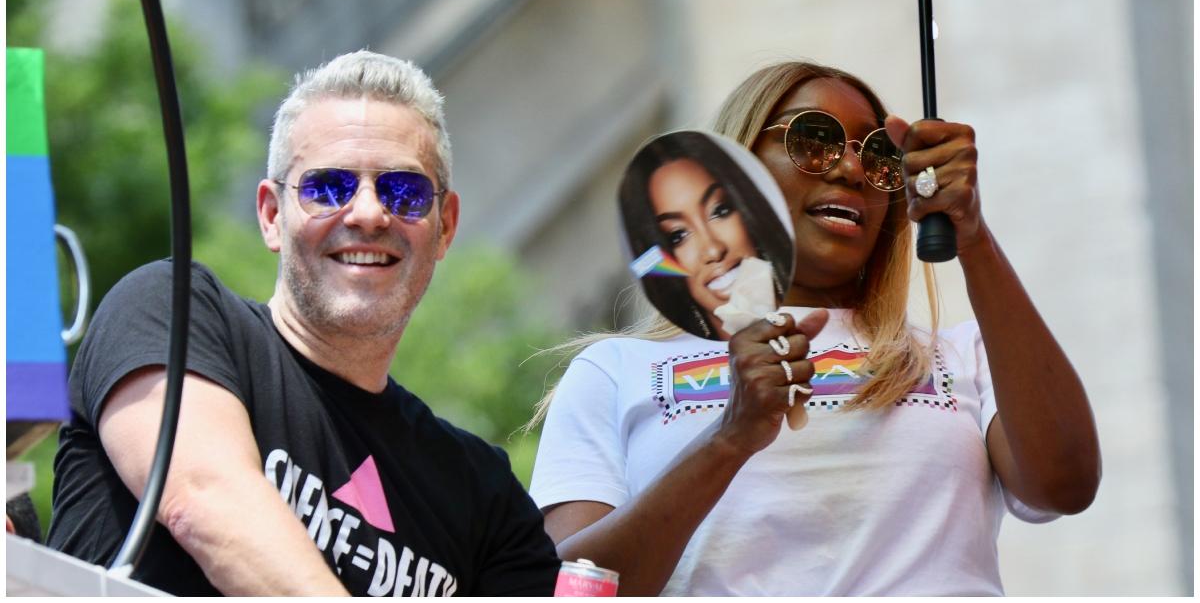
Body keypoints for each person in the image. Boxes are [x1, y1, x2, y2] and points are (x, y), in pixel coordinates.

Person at [528, 61, 1101, 596]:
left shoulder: (961, 354)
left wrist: (971, 234)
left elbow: (1065, 487)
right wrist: (730, 438)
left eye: (879, 156)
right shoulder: (614, 372)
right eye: (814, 140)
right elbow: (568, 591)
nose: (853, 169)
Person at [45, 50, 560, 596]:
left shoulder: (483, 496)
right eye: (329, 188)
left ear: (445, 226)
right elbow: (206, 503)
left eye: (403, 192)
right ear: (272, 215)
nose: (367, 213)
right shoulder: (170, 311)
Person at [619, 131, 793, 339]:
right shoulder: (622, 363)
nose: (713, 249)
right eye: (677, 236)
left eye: (720, 211)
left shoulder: (834, 324)